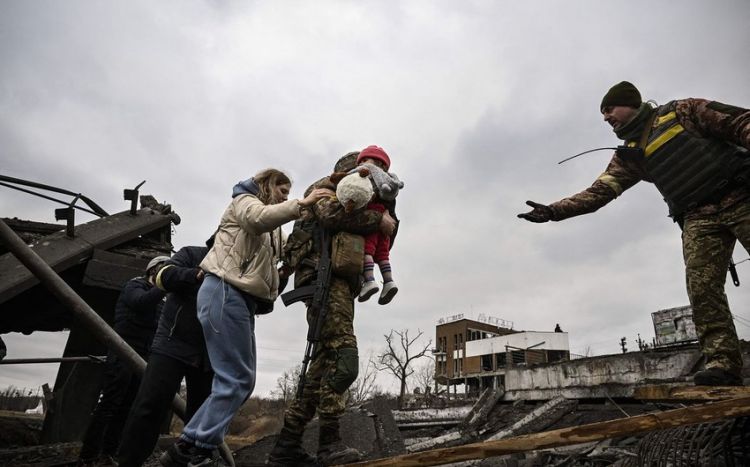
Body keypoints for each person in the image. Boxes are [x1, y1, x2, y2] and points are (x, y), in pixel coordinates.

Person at [518, 81, 750, 387]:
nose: (606, 118)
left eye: (609, 109)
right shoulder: (630, 155)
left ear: (631, 103)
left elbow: (740, 123)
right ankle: (723, 363)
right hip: (697, 218)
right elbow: (598, 193)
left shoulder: (683, 111)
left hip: (741, 196)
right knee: (702, 289)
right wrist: (553, 211)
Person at [160, 169, 329, 467]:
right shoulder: (244, 201)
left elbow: (290, 246)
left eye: (289, 193)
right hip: (224, 290)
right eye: (281, 190)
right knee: (235, 378)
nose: (286, 196)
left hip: (241, 300)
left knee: (242, 379)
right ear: (266, 185)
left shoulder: (275, 229)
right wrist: (304, 203)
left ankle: (189, 445)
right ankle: (194, 450)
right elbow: (257, 218)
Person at [267, 152, 398, 466]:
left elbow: (385, 237)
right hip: (322, 280)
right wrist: (377, 219)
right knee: (344, 359)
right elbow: (330, 216)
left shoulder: (368, 199)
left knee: (320, 370)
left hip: (341, 286)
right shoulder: (325, 190)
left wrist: (383, 215)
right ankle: (330, 444)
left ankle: (287, 445)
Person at [117, 238, 215, 467]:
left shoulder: (239, 265)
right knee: (149, 408)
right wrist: (196, 274)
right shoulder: (192, 254)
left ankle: (182, 462)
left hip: (210, 352)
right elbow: (165, 275)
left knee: (199, 418)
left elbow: (261, 304)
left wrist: (277, 279)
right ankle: (127, 462)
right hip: (172, 343)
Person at [78, 255, 170, 466]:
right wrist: (165, 286)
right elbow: (141, 304)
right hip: (124, 349)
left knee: (128, 406)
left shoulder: (162, 300)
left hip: (144, 355)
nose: (167, 274)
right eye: (164, 270)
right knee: (111, 401)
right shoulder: (135, 286)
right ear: (152, 270)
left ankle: (108, 453)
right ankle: (87, 456)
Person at [350, 145, 403, 305]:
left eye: (366, 159)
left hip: (372, 223)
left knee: (368, 251)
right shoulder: (390, 183)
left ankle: (370, 280)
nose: (363, 163)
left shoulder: (366, 176)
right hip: (386, 227)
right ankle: (389, 282)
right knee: (382, 255)